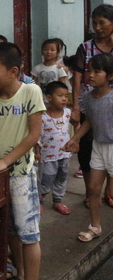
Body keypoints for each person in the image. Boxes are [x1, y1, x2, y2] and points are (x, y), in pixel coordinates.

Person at [0, 42, 44, 280]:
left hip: (21, 174)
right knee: (9, 228)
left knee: (29, 234)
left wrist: (6, 161)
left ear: (13, 71)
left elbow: (34, 135)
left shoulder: (30, 92)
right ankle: (21, 272)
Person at [63, 53, 113, 242]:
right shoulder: (87, 97)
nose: (90, 75)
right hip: (98, 146)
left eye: (97, 71)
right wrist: (75, 138)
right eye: (89, 70)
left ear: (110, 76)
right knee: (93, 188)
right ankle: (95, 226)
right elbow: (90, 121)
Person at [70, 5, 113, 209]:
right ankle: (90, 192)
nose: (97, 27)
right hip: (90, 104)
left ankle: (109, 192)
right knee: (87, 151)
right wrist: (76, 106)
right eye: (94, 23)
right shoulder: (85, 47)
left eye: (102, 23)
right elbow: (77, 77)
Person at [36, 81, 72, 215]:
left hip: (65, 154)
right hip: (48, 155)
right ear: (49, 97)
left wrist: (75, 141)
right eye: (60, 96)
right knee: (46, 179)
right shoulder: (43, 116)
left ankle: (58, 200)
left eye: (66, 96)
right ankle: (40, 200)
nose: (64, 99)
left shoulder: (68, 113)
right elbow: (37, 136)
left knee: (62, 178)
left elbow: (77, 125)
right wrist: (37, 152)